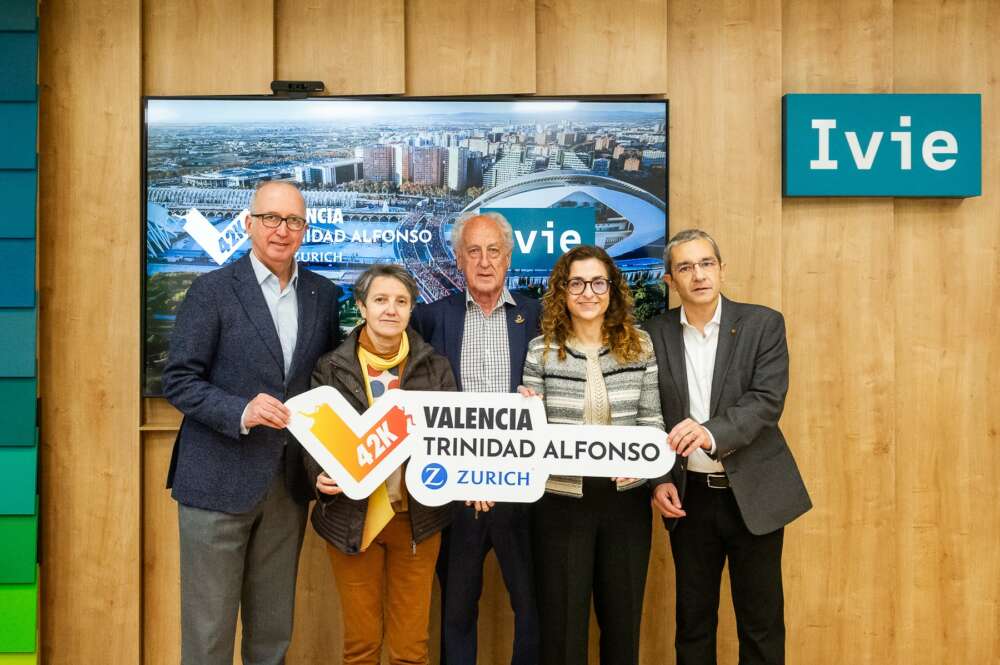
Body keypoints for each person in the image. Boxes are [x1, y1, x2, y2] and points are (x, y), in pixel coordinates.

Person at [162, 180, 341, 665]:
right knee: (208, 637)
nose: (282, 231)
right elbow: (177, 380)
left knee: (272, 638)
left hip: (286, 488)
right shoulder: (212, 290)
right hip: (216, 484)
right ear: (248, 224)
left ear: (305, 228)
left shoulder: (323, 296)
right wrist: (240, 411)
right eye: (271, 219)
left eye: (294, 221)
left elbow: (330, 385)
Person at [645, 228, 812, 665]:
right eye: (685, 267)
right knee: (693, 623)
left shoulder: (763, 324)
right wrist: (658, 480)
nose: (698, 275)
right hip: (689, 498)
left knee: (760, 624)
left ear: (721, 270)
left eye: (706, 264)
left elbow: (766, 402)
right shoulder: (653, 334)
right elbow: (649, 413)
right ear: (670, 281)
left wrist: (710, 432)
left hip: (754, 495)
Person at [304, 264, 455, 665]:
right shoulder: (330, 367)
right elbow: (312, 442)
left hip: (416, 522)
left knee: (411, 649)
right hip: (352, 519)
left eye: (401, 301)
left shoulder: (434, 367)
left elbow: (453, 441)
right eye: (381, 300)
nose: (391, 310)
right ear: (362, 307)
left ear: (411, 309)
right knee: (361, 648)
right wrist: (317, 475)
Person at [520, 244, 662, 665]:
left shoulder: (640, 346)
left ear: (612, 289)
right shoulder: (540, 350)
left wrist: (640, 466)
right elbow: (533, 436)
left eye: (598, 282)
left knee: (622, 626)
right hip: (560, 503)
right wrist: (525, 410)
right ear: (562, 291)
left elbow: (652, 421)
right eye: (576, 283)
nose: (588, 292)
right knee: (563, 632)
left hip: (626, 501)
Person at [410, 211, 541, 665]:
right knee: (456, 612)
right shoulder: (430, 318)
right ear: (458, 260)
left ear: (508, 258)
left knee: (532, 611)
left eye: (493, 252)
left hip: (522, 492)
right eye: (473, 252)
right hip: (458, 493)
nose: (484, 262)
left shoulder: (538, 316)